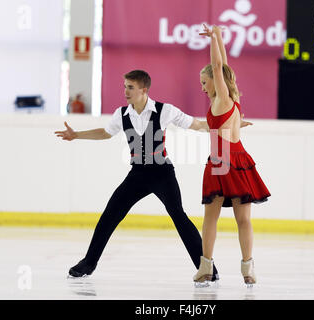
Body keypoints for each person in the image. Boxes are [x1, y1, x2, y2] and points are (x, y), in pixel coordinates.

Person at [55, 70, 251, 280]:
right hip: (137, 175)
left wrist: (229, 123)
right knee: (109, 216)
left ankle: (207, 269)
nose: (125, 91)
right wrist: (77, 135)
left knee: (179, 217)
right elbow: (105, 133)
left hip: (162, 174)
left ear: (144, 90)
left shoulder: (164, 110)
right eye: (125, 87)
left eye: (130, 87)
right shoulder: (121, 114)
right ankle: (88, 263)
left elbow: (197, 125)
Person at [193, 25, 271, 287]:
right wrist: (218, 38)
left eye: (204, 82)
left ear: (215, 81)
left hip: (221, 159)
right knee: (244, 219)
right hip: (240, 159)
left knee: (211, 218)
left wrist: (215, 36)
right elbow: (223, 67)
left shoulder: (221, 100)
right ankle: (248, 269)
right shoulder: (233, 97)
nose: (203, 88)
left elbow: (217, 66)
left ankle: (206, 267)